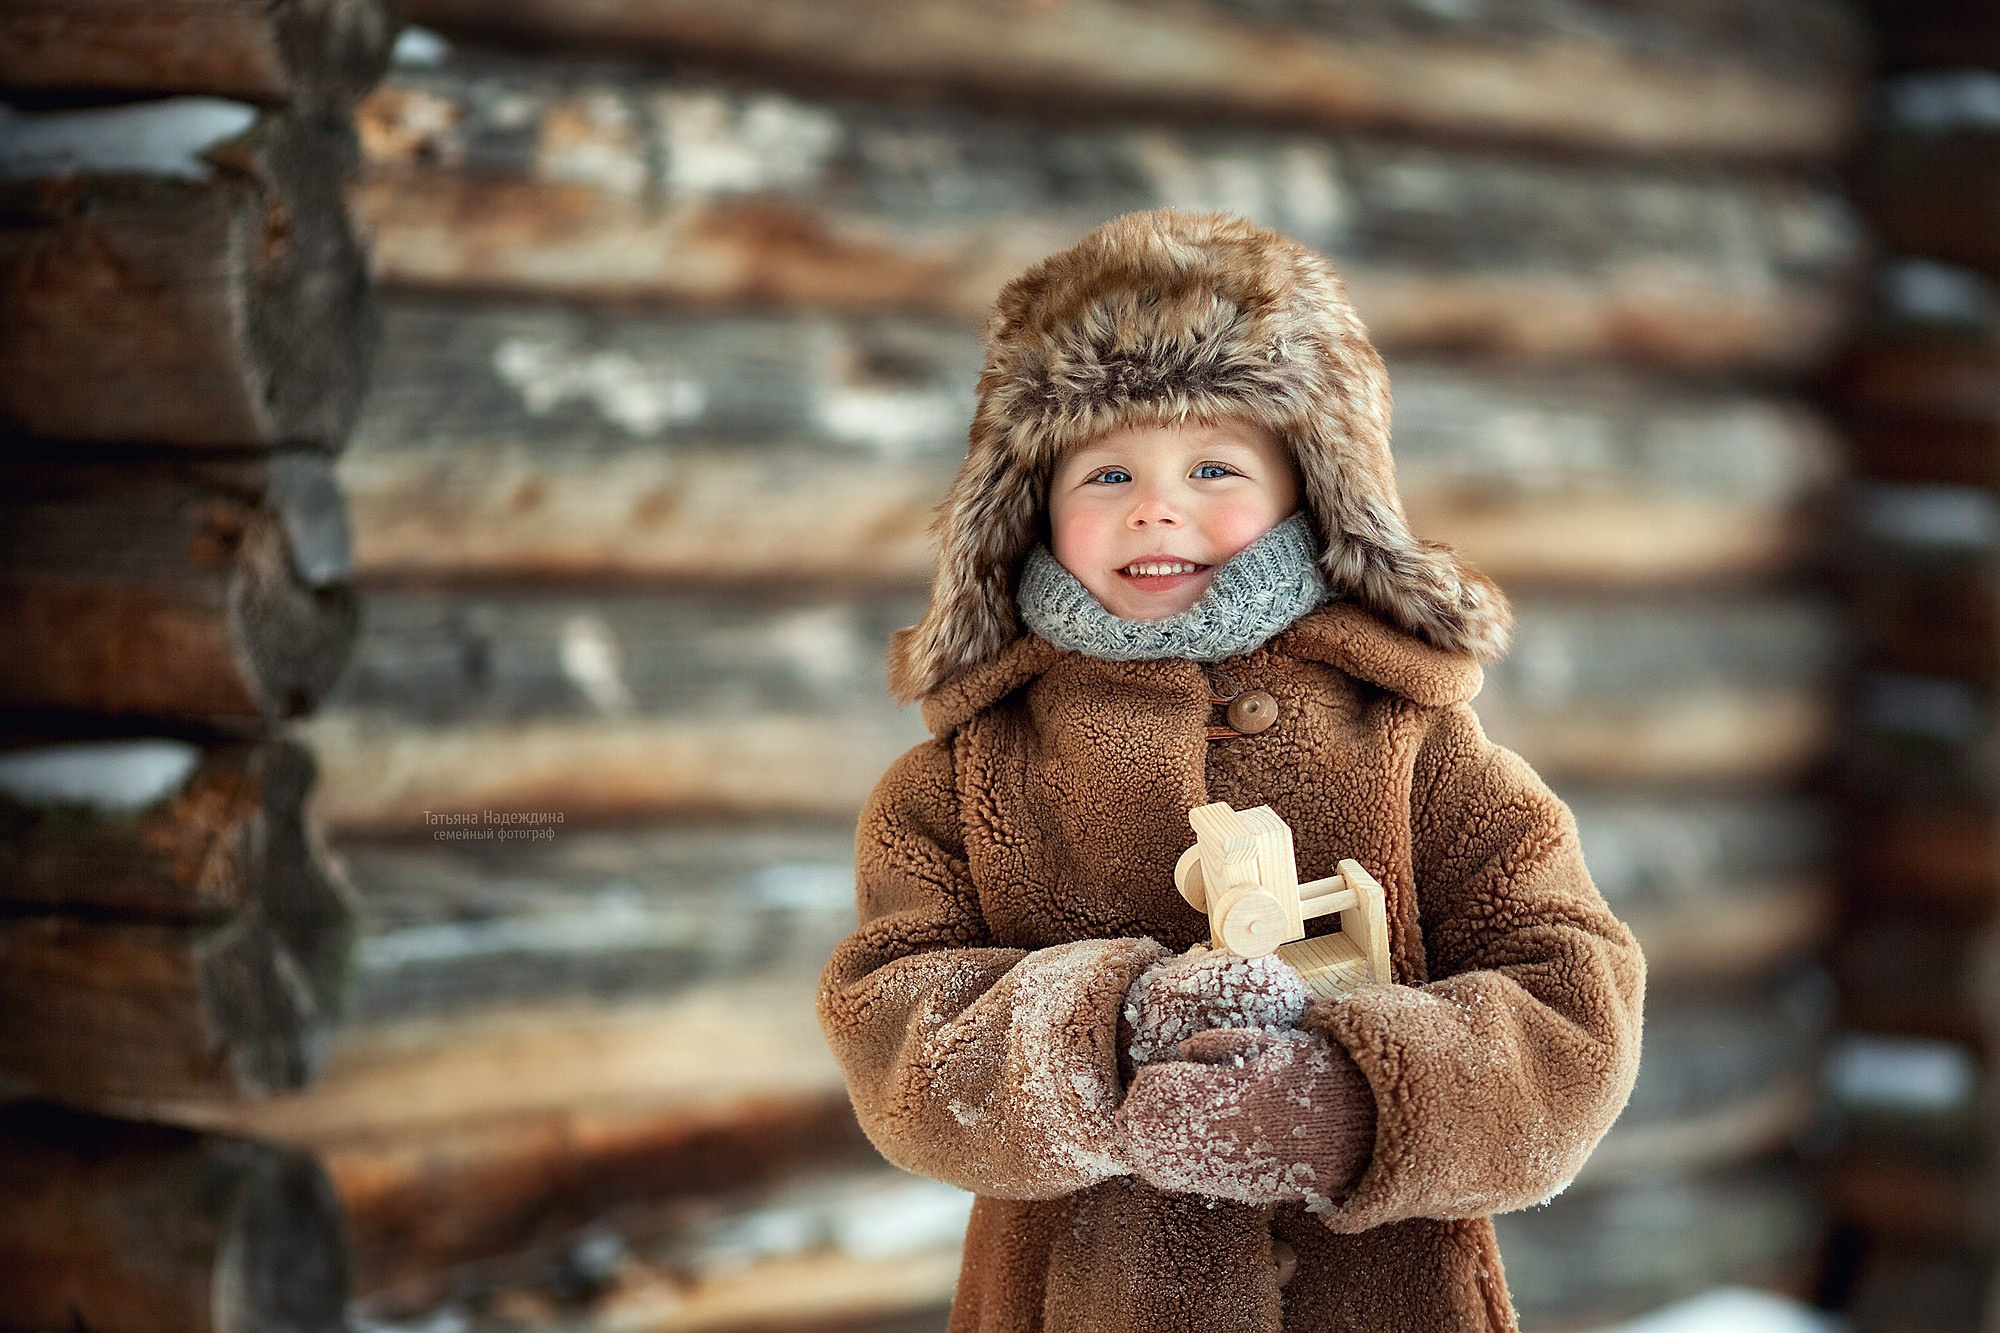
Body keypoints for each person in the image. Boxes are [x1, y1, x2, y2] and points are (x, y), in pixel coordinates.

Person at [816, 207, 1645, 1333]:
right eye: (1105, 472)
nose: (1157, 504)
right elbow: (892, 1026)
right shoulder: (963, 776)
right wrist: (1106, 1033)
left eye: (1212, 464)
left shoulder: (1411, 740)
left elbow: (1572, 999)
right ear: (1026, 512)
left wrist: (1357, 1102)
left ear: (1314, 489)